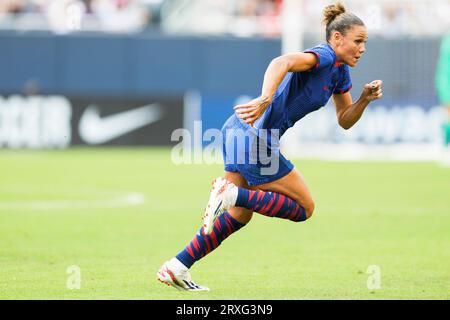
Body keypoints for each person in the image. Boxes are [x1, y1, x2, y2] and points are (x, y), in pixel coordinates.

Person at [157, 2, 383, 291]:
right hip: (256, 137)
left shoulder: (340, 74)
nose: (363, 48)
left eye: (365, 42)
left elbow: (344, 120)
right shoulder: (324, 56)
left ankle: (177, 266)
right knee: (305, 207)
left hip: (238, 130)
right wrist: (265, 97)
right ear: (337, 38)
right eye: (358, 41)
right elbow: (281, 62)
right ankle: (231, 192)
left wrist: (363, 99)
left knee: (239, 213)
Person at [435, 32, 450, 153]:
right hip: (446, 83)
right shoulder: (447, 41)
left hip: (444, 82)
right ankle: (445, 147)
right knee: (448, 115)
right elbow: (444, 70)